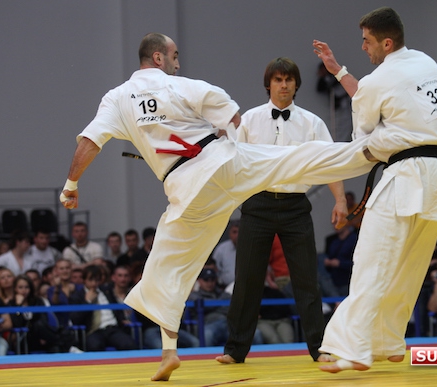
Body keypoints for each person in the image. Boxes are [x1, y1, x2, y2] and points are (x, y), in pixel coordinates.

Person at [58, 32, 374, 381]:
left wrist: (71, 185)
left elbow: (90, 141)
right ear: (159, 58)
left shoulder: (116, 98)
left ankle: (169, 352)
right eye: (174, 56)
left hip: (187, 191)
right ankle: (373, 149)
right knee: (293, 159)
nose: (178, 62)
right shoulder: (179, 86)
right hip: (223, 164)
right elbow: (229, 110)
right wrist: (226, 129)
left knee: (167, 268)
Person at [311, 6, 437, 373]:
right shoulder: (427, 63)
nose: (363, 47)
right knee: (411, 261)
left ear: (386, 42)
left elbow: (365, 126)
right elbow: (382, 95)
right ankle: (388, 341)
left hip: (409, 172)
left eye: (367, 41)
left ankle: (353, 349)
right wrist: (338, 71)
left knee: (372, 258)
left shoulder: (378, 80)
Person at [218, 57, 348, 366]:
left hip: (295, 206)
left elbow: (330, 163)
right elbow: (230, 161)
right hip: (257, 204)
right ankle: (235, 349)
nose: (284, 85)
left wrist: (340, 200)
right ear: (269, 84)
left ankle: (319, 347)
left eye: (289, 79)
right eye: (278, 79)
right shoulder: (249, 120)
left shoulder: (312, 122)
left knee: (307, 279)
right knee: (247, 280)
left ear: (296, 84)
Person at [69, 265, 136, 351]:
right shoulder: (77, 296)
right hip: (93, 331)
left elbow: (116, 308)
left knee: (129, 344)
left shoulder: (107, 291)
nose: (94, 283)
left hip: (113, 328)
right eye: (91, 280)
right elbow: (75, 319)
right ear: (84, 280)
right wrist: (87, 302)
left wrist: (122, 319)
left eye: (97, 280)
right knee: (94, 346)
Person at [187, 268, 232, 347]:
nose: (209, 283)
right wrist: (220, 304)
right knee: (207, 334)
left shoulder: (224, 294)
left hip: (228, 324)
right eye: (206, 280)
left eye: (212, 279)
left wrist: (211, 306)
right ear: (199, 281)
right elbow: (204, 306)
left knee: (252, 334)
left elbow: (231, 308)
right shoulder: (194, 296)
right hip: (207, 325)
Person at [210, 220, 238, 288]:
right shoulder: (221, 249)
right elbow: (214, 269)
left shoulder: (250, 249)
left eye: (240, 232)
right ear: (229, 233)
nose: (237, 235)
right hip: (224, 288)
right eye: (234, 232)